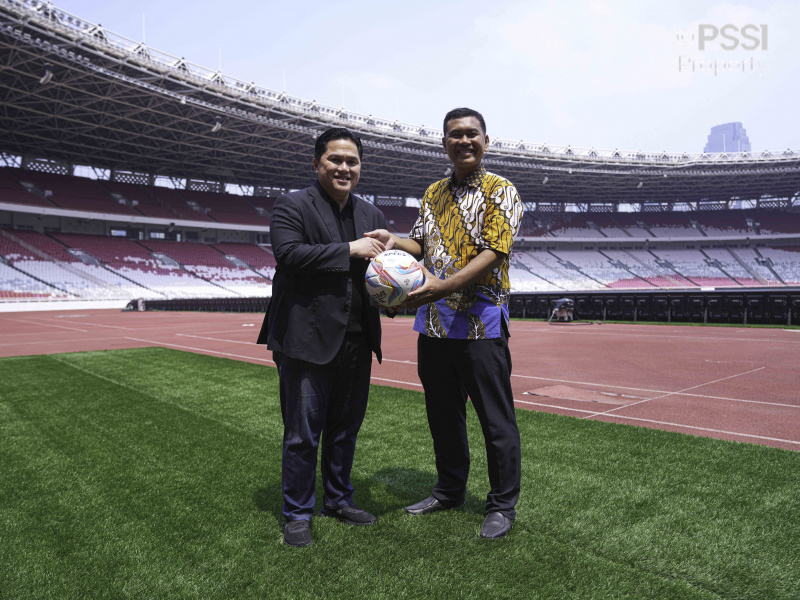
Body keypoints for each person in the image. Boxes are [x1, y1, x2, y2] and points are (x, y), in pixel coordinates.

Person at [365, 107, 523, 539]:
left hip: (481, 324)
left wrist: (444, 286)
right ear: (444, 144)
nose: (464, 141)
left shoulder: (501, 190)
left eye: (472, 134)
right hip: (433, 324)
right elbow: (421, 242)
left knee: (496, 419)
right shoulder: (433, 193)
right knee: (442, 415)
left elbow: (495, 252)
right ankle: (450, 490)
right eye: (455, 135)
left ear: (486, 141)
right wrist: (392, 240)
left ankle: (502, 505)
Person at [257, 127, 389, 547]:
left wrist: (395, 289)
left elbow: (379, 276)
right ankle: (297, 513)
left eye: (352, 161)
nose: (344, 168)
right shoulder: (291, 205)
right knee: (301, 433)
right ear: (316, 164)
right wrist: (350, 249)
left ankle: (337, 499)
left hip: (357, 340)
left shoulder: (372, 216)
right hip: (305, 339)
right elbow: (289, 255)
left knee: (345, 430)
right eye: (335, 159)